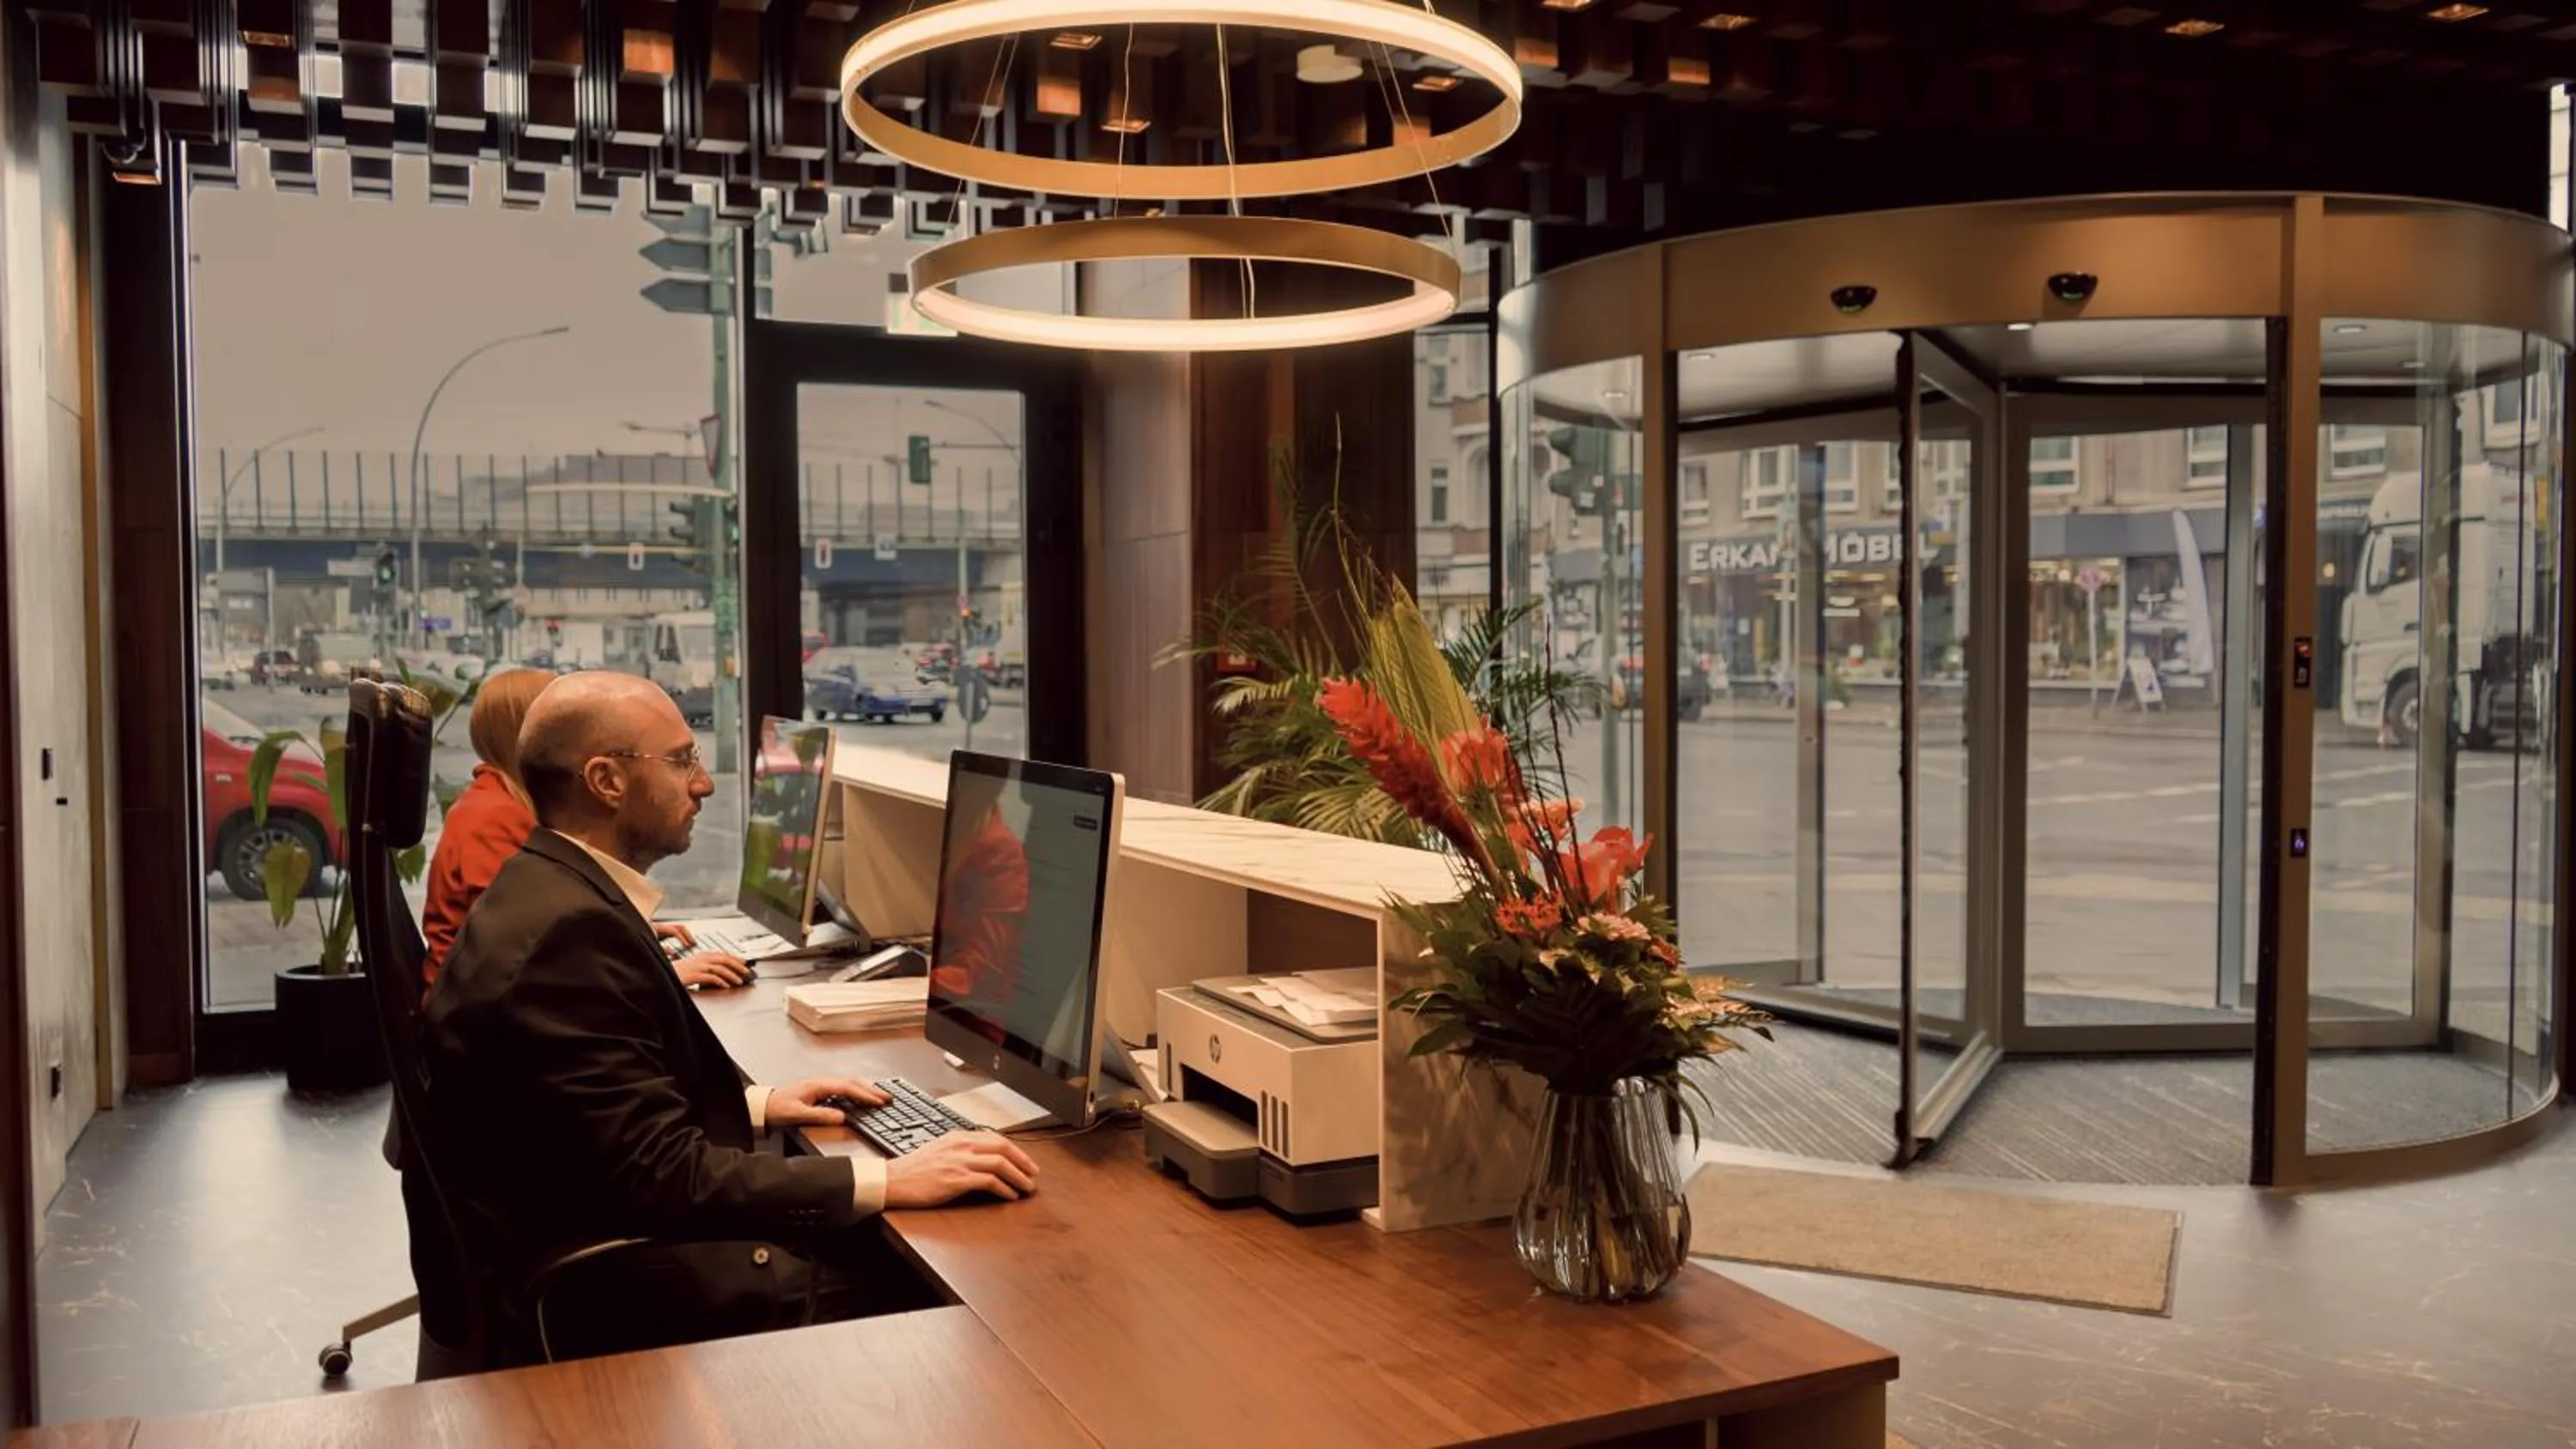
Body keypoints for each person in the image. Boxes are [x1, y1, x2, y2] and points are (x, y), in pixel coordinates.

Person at [422, 671, 1037, 1366]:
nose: (703, 783)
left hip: (579, 1231)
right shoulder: (570, 935)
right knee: (951, 1281)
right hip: (605, 1283)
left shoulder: (548, 885)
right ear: (605, 780)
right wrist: (893, 1179)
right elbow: (664, 1179)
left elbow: (584, 1116)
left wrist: (759, 1103)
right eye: (681, 759)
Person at [420, 667, 747, 991]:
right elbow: (545, 947)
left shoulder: (504, 808)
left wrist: (629, 937)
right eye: (679, 760)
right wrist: (657, 974)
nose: (704, 784)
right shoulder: (492, 818)